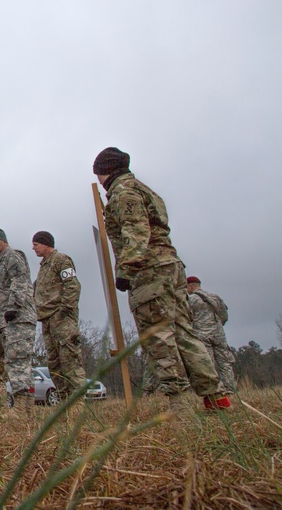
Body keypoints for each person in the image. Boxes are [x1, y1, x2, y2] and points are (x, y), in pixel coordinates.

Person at [94, 147, 228, 411]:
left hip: (150, 272)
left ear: (104, 170)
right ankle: (215, 397)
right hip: (170, 267)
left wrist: (127, 271)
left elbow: (136, 232)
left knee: (159, 336)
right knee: (183, 332)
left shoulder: (124, 193)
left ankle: (180, 405)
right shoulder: (142, 189)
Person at [0, 228, 36, 415]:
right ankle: (26, 407)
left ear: (2, 239)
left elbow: (20, 279)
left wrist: (14, 306)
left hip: (19, 319)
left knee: (18, 360)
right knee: (14, 361)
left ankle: (22, 407)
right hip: (8, 322)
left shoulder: (12, 256)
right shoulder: (1, 262)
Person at [32, 231, 87, 401]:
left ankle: (77, 401)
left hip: (61, 319)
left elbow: (72, 286)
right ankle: (65, 401)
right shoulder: (44, 266)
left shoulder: (61, 260)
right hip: (47, 320)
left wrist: (64, 310)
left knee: (69, 359)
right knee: (54, 363)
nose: (33, 248)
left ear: (46, 243)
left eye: (36, 244)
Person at [185, 276, 236, 396]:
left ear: (191, 286)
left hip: (201, 334)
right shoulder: (214, 297)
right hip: (218, 334)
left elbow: (187, 318)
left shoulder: (190, 300)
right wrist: (218, 326)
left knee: (208, 364)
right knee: (225, 362)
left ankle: (215, 392)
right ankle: (230, 390)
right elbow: (224, 315)